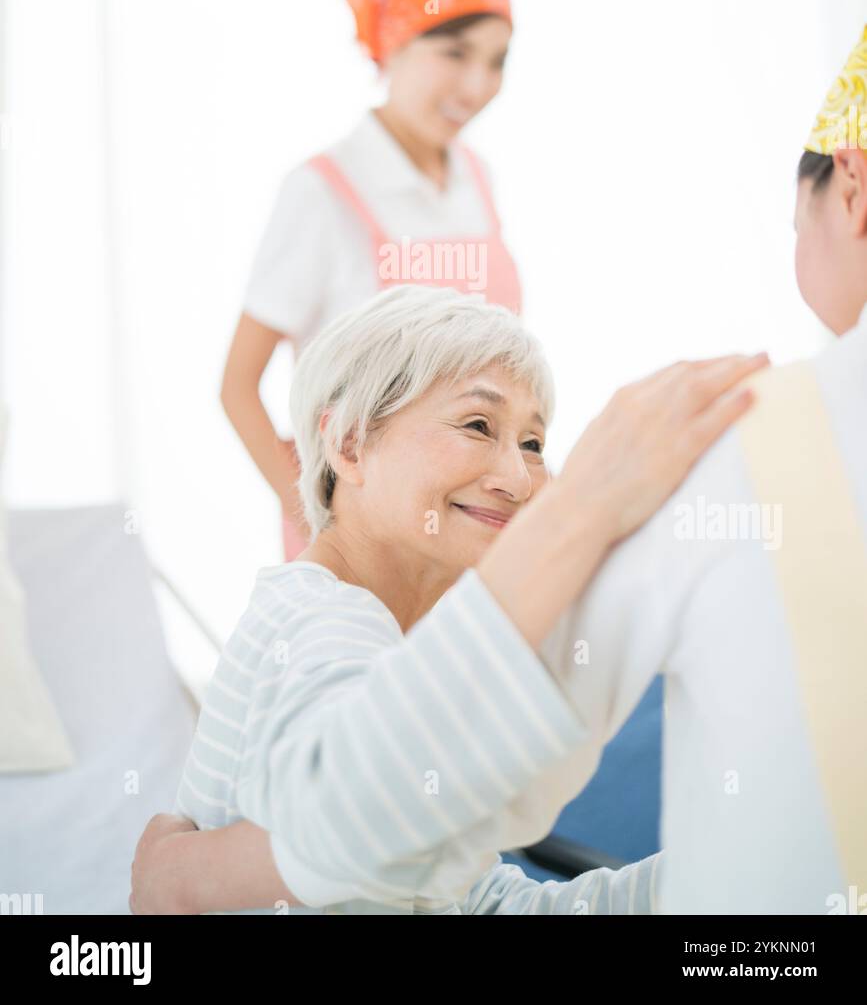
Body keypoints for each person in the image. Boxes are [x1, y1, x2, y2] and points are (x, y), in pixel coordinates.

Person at [130, 287, 763, 914]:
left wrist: (721, 880)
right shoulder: (321, 620)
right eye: (477, 425)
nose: (518, 478)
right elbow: (364, 821)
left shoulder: (379, 638)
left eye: (533, 443)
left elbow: (463, 901)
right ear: (349, 445)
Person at [221, 0, 524, 562]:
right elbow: (237, 385)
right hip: (365, 543)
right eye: (454, 52)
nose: (477, 84)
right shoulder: (323, 192)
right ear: (394, 44)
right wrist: (322, 525)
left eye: (496, 62)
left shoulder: (478, 179)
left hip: (474, 524)